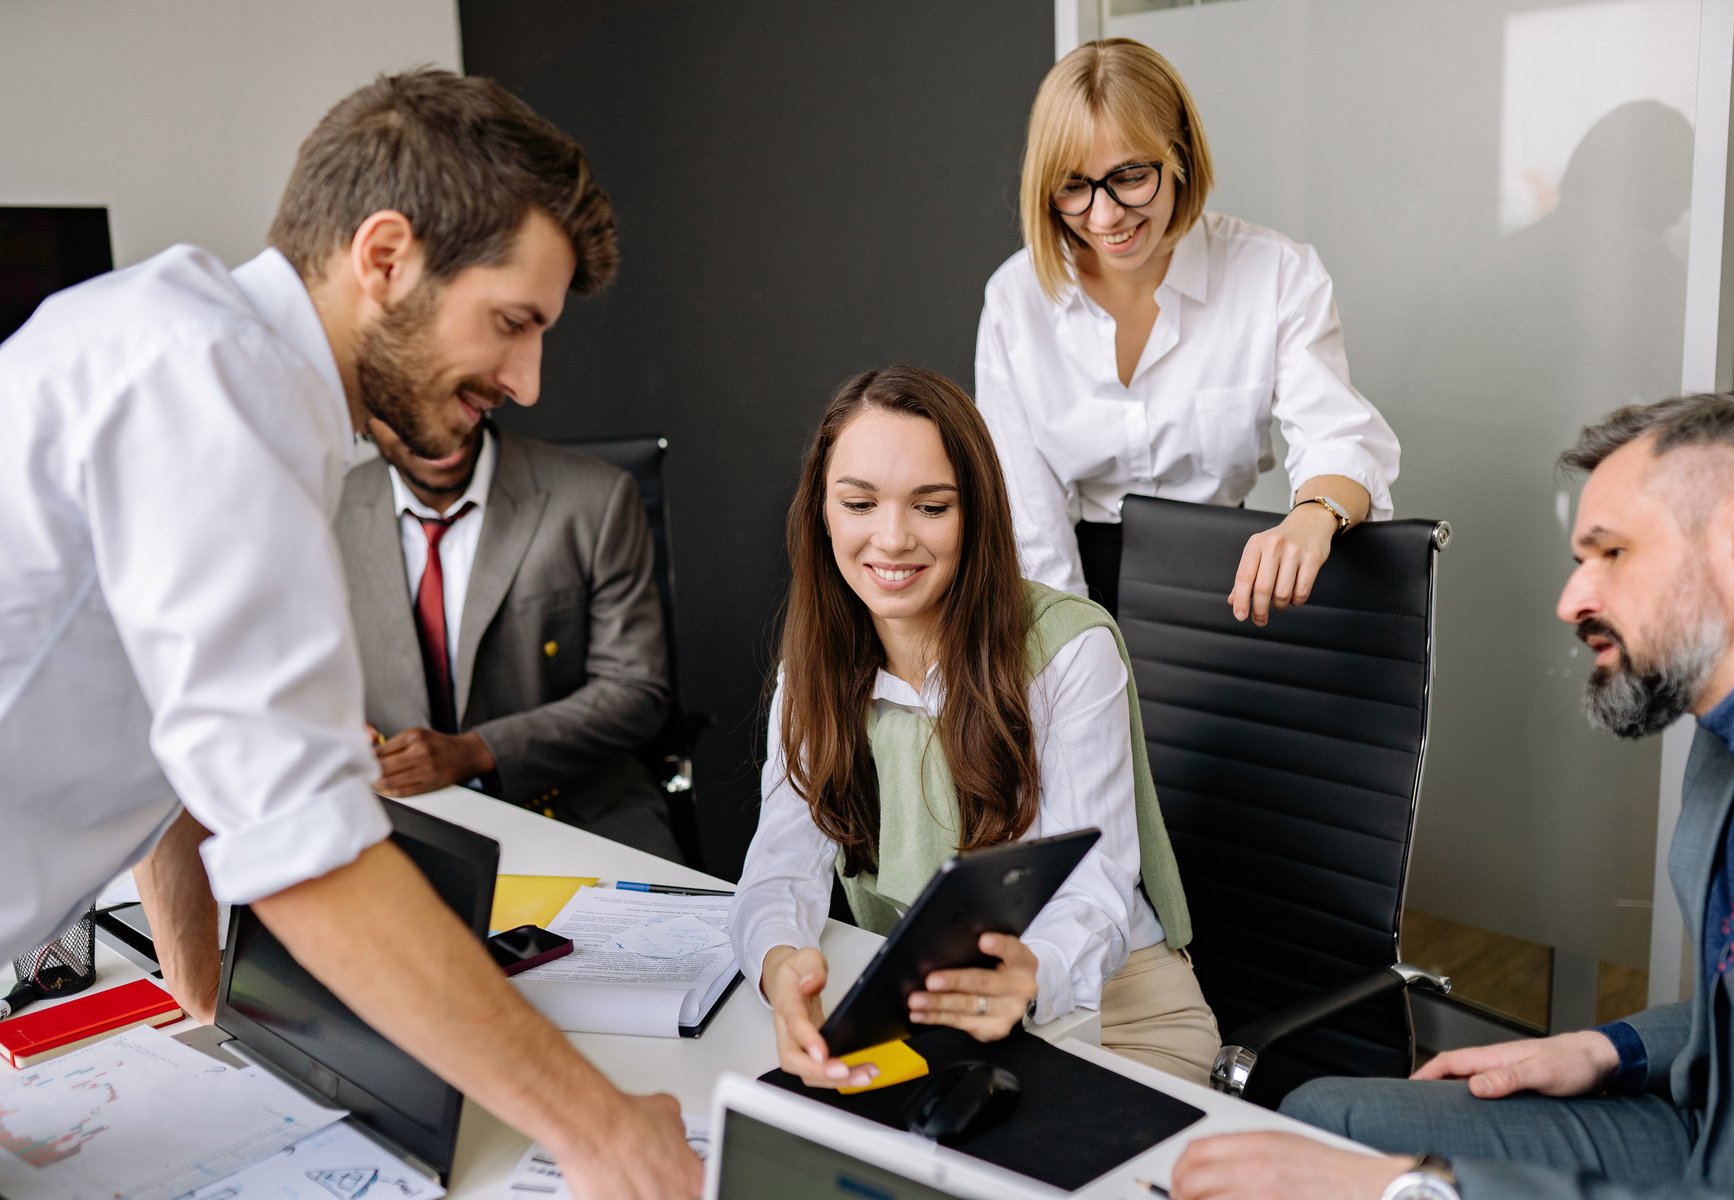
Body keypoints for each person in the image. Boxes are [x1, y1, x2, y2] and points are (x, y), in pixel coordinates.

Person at [0, 70, 698, 1199]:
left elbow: (184, 755)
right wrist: (604, 1132)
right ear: (385, 258)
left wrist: (211, 1012)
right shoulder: (217, 386)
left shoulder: (189, 345)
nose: (524, 381)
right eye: (511, 323)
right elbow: (306, 854)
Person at [1166, 391, 1734, 1200]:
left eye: (1611, 554)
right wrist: (1610, 1049)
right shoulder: (1728, 736)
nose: (1572, 600)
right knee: (1327, 1114)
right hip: (1709, 1124)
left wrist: (1415, 1191)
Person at [728, 365, 1218, 1089]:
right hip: (939, 1017)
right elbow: (777, 866)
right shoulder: (814, 670)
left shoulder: (1068, 649)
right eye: (859, 502)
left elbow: (1096, 889)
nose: (890, 540)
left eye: (930, 507)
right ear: (822, 513)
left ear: (975, 515)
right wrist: (779, 962)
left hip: (1120, 1012)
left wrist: (1030, 977)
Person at [976, 37, 1400, 622]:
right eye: (1074, 186)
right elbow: (1028, 518)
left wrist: (1313, 517)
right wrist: (1072, 642)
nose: (1105, 217)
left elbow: (1339, 437)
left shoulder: (1275, 273)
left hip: (1235, 588)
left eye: (1129, 176)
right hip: (1068, 584)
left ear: (1179, 157)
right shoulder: (1015, 299)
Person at [334, 415, 683, 861]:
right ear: (366, 418)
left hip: (579, 814)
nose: (436, 427)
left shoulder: (598, 496)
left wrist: (477, 752)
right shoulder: (325, 511)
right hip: (398, 825)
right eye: (407, 412)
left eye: (451, 397)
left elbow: (637, 691)